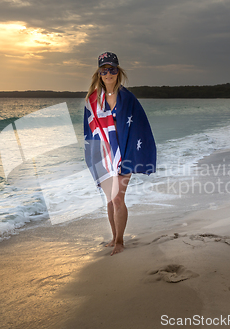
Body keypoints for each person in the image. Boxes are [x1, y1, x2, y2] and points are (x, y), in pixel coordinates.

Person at [83, 51, 157, 255]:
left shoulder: (128, 98)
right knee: (109, 199)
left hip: (124, 154)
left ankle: (120, 242)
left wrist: (134, 153)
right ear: (99, 73)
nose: (108, 74)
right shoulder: (92, 101)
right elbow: (90, 132)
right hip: (104, 156)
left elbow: (140, 127)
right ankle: (113, 237)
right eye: (104, 70)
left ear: (118, 71)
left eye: (112, 69)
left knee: (117, 199)